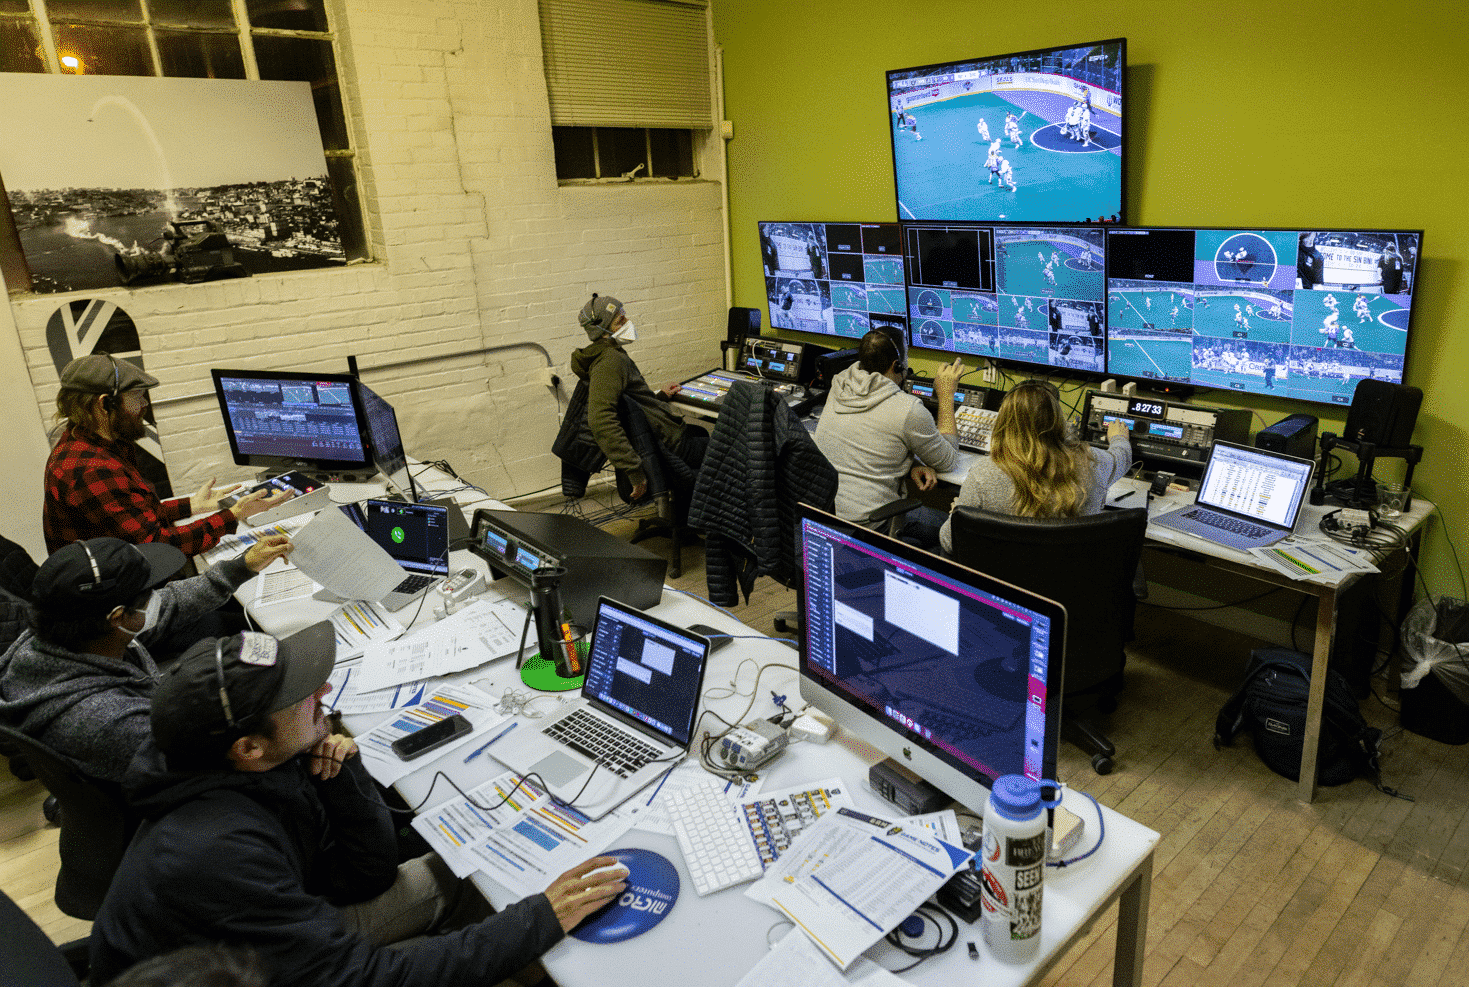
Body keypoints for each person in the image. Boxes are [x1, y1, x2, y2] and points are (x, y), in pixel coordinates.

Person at [87, 627, 629, 987]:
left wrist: (341, 775)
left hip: (274, 942)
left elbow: (368, 874)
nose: (322, 688)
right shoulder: (216, 849)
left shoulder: (251, 767)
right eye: (300, 694)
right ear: (247, 746)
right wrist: (540, 918)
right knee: (491, 899)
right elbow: (362, 978)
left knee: (469, 870)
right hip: (235, 973)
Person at [0, 534, 291, 782]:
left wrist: (240, 567)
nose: (157, 598)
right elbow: (224, 762)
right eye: (149, 594)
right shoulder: (108, 723)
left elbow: (169, 604)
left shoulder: (71, 631)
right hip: (179, 792)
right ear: (118, 617)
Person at [43, 354, 288, 556]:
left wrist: (192, 505)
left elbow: (134, 518)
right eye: (137, 396)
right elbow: (156, 546)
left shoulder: (88, 443)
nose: (144, 405)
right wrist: (232, 515)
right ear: (105, 404)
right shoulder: (90, 469)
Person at [939, 380, 1131, 555]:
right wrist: (1119, 438)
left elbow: (949, 543)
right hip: (1067, 585)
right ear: (1058, 419)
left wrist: (957, 516)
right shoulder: (1094, 462)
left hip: (1001, 583)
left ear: (1003, 422)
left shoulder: (983, 473)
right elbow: (1123, 458)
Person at [814, 331, 962, 549]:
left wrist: (911, 463)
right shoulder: (907, 409)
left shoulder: (840, 385)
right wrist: (947, 395)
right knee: (956, 531)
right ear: (897, 366)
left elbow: (865, 442)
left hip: (828, 517)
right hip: (872, 524)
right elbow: (948, 461)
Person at [570, 294, 706, 501]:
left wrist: (660, 396)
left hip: (661, 438)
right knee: (732, 447)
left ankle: (687, 510)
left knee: (700, 432)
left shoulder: (605, 355)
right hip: (669, 445)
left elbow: (633, 407)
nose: (627, 321)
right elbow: (600, 420)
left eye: (623, 314)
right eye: (620, 319)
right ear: (604, 329)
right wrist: (633, 470)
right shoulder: (610, 362)